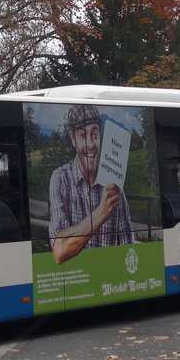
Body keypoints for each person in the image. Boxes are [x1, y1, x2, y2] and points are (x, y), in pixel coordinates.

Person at [48, 104, 135, 264]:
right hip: (77, 280)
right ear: (73, 139)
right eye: (82, 135)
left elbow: (127, 248)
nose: (90, 144)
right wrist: (101, 213)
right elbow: (60, 250)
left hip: (110, 283)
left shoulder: (114, 188)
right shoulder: (61, 179)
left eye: (94, 134)